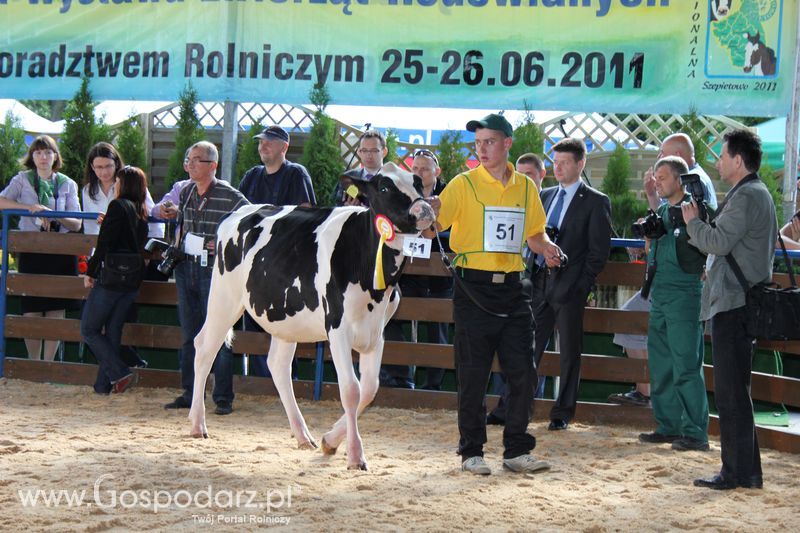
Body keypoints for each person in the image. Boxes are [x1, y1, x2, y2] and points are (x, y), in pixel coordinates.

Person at [429, 113, 563, 475]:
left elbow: (535, 235)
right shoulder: (462, 184)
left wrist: (547, 248)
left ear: (507, 144)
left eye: (489, 142)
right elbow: (434, 223)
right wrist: (424, 207)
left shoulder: (525, 187)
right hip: (473, 287)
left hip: (515, 288)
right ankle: (471, 451)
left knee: (523, 373)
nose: (482, 149)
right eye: (478, 143)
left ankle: (517, 450)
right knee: (472, 375)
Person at [683, 129, 775, 490]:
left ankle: (735, 472)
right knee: (736, 390)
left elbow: (718, 242)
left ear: (738, 160)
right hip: (738, 301)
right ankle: (746, 472)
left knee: (731, 392)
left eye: (722, 156)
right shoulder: (752, 193)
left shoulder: (748, 195)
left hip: (735, 303)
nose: (718, 162)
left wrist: (693, 222)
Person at [608, 133, 718, 407]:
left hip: (682, 284)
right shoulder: (684, 190)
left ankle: (662, 403)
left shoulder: (696, 186)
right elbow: (668, 228)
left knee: (682, 359)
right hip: (672, 282)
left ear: (678, 161)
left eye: (662, 157)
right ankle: (657, 402)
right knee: (669, 352)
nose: (658, 164)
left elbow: (692, 233)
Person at [528, 137, 612, 431]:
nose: (558, 167)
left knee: (569, 354)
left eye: (564, 162)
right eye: (555, 162)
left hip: (570, 287)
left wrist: (580, 286)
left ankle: (562, 412)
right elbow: (533, 236)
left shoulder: (596, 201)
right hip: (539, 283)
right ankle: (516, 405)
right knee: (529, 347)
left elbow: (599, 252)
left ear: (580, 163)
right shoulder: (545, 195)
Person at [163, 141, 249, 416]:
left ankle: (223, 397)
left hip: (216, 272)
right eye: (189, 159)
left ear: (212, 165)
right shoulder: (186, 192)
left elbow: (251, 222)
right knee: (190, 334)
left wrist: (220, 243)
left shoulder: (230, 195)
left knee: (219, 334)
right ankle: (191, 392)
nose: (190, 164)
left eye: (197, 159)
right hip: (187, 267)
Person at [636, 156, 710, 452]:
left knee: (686, 364)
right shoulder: (664, 210)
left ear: (680, 179)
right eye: (656, 176)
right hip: (661, 293)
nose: (657, 182)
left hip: (685, 293)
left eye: (663, 177)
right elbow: (652, 248)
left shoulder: (696, 209)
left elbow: (709, 244)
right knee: (661, 362)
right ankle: (668, 425)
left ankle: (695, 432)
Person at [237, 125, 316, 378]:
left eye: (269, 142)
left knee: (283, 321)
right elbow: (240, 210)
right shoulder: (251, 175)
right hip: (254, 262)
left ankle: (284, 378)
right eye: (261, 142)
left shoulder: (296, 173)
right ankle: (261, 380)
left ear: (284, 147)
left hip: (286, 264)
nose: (263, 146)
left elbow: (306, 212)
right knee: (255, 319)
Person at [0, 135, 82, 360]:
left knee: (56, 310)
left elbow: (77, 223)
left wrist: (54, 214)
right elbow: (2, 201)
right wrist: (30, 208)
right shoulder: (22, 179)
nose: (43, 157)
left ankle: (48, 365)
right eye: (38, 153)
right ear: (32, 156)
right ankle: (33, 364)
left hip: (60, 252)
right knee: (32, 309)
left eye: (48, 152)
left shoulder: (67, 183)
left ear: (55, 156)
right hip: (31, 250)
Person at [381, 149, 453, 390]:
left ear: (437, 172)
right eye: (415, 168)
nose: (419, 172)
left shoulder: (448, 195)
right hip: (409, 275)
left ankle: (433, 386)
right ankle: (400, 377)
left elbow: (453, 232)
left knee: (438, 330)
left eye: (424, 168)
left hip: (439, 277)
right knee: (390, 317)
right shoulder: (405, 194)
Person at [81, 142, 153, 378]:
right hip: (132, 280)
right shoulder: (140, 210)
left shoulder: (117, 206)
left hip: (111, 277)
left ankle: (120, 372)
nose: (113, 180)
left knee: (89, 330)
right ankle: (105, 383)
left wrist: (90, 271)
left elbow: (104, 244)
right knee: (113, 330)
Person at [332, 129, 387, 206]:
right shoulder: (348, 178)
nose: (369, 155)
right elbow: (336, 207)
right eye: (364, 150)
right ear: (359, 152)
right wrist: (347, 210)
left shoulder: (395, 181)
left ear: (384, 152)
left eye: (374, 150)